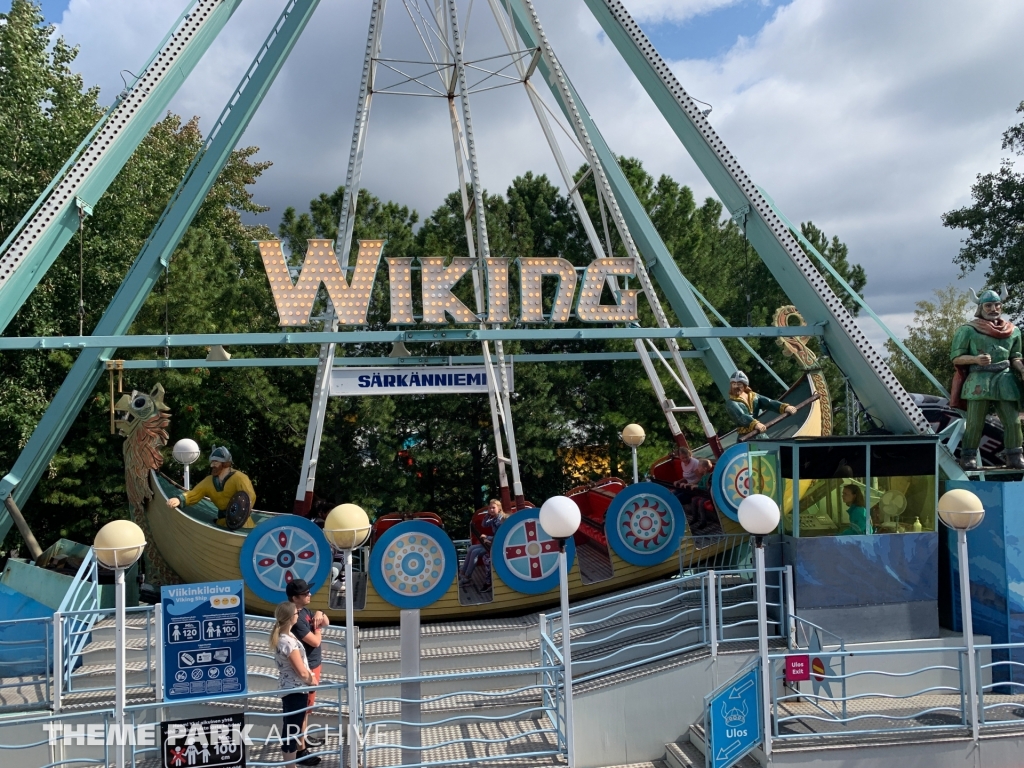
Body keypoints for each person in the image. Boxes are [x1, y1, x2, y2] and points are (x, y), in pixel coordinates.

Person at [950, 286, 1024, 470]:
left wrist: (1021, 368)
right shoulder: (968, 330)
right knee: (975, 422)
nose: (993, 309)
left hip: (1005, 379)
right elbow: (956, 357)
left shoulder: (1013, 331)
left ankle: (1014, 456)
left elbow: (1015, 356)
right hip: (979, 380)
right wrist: (975, 359)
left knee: (1013, 421)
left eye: (997, 305)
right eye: (989, 305)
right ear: (981, 307)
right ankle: (968, 456)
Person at [287, 578, 328, 765]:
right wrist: (318, 626)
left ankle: (302, 742)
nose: (309, 595)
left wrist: (320, 613)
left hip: (314, 665)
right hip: (308, 668)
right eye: (305, 594)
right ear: (295, 598)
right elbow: (315, 641)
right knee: (302, 710)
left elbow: (325, 620)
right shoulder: (295, 620)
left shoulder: (304, 611)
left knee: (306, 709)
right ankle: (300, 751)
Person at [270, 601, 315, 767]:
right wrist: (312, 681)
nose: (299, 615)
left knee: (290, 728)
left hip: (290, 690)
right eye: (296, 613)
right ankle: (290, 765)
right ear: (290, 618)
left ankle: (291, 764)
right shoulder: (287, 642)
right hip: (295, 690)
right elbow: (301, 671)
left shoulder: (284, 638)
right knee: (292, 730)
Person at [167, 446, 257, 528]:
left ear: (225, 463)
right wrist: (180, 499)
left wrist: (238, 514)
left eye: (215, 462)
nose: (212, 465)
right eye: (212, 462)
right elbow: (194, 493)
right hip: (221, 523)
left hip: (242, 523)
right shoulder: (208, 481)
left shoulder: (240, 478)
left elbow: (249, 498)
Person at [724, 371, 797, 438]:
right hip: (746, 436)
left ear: (744, 385)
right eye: (734, 384)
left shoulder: (754, 397)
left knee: (771, 448)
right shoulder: (731, 403)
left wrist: (785, 407)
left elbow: (769, 403)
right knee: (751, 450)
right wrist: (755, 424)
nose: (736, 386)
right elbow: (741, 416)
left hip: (760, 433)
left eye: (739, 384)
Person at [460, 499, 506, 587]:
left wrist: (487, 537)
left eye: (493, 508)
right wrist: (488, 515)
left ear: (499, 509)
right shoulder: (495, 518)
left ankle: (467, 577)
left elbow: (500, 537)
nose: (491, 510)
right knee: (471, 548)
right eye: (490, 508)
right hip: (491, 542)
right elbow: (484, 525)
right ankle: (462, 572)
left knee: (475, 552)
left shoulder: (500, 521)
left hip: (496, 545)